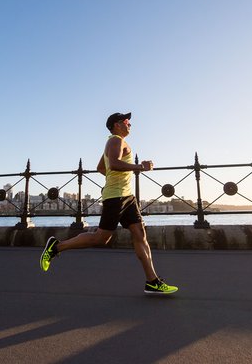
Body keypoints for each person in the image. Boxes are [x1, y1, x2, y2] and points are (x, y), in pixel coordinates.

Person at [40, 112, 178, 294]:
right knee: (101, 238)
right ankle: (56, 247)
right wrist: (139, 167)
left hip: (127, 197)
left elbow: (101, 168)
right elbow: (113, 164)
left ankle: (152, 281)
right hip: (116, 198)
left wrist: (116, 180)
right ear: (116, 124)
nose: (130, 124)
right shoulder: (115, 140)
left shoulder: (117, 142)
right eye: (126, 121)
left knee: (140, 234)